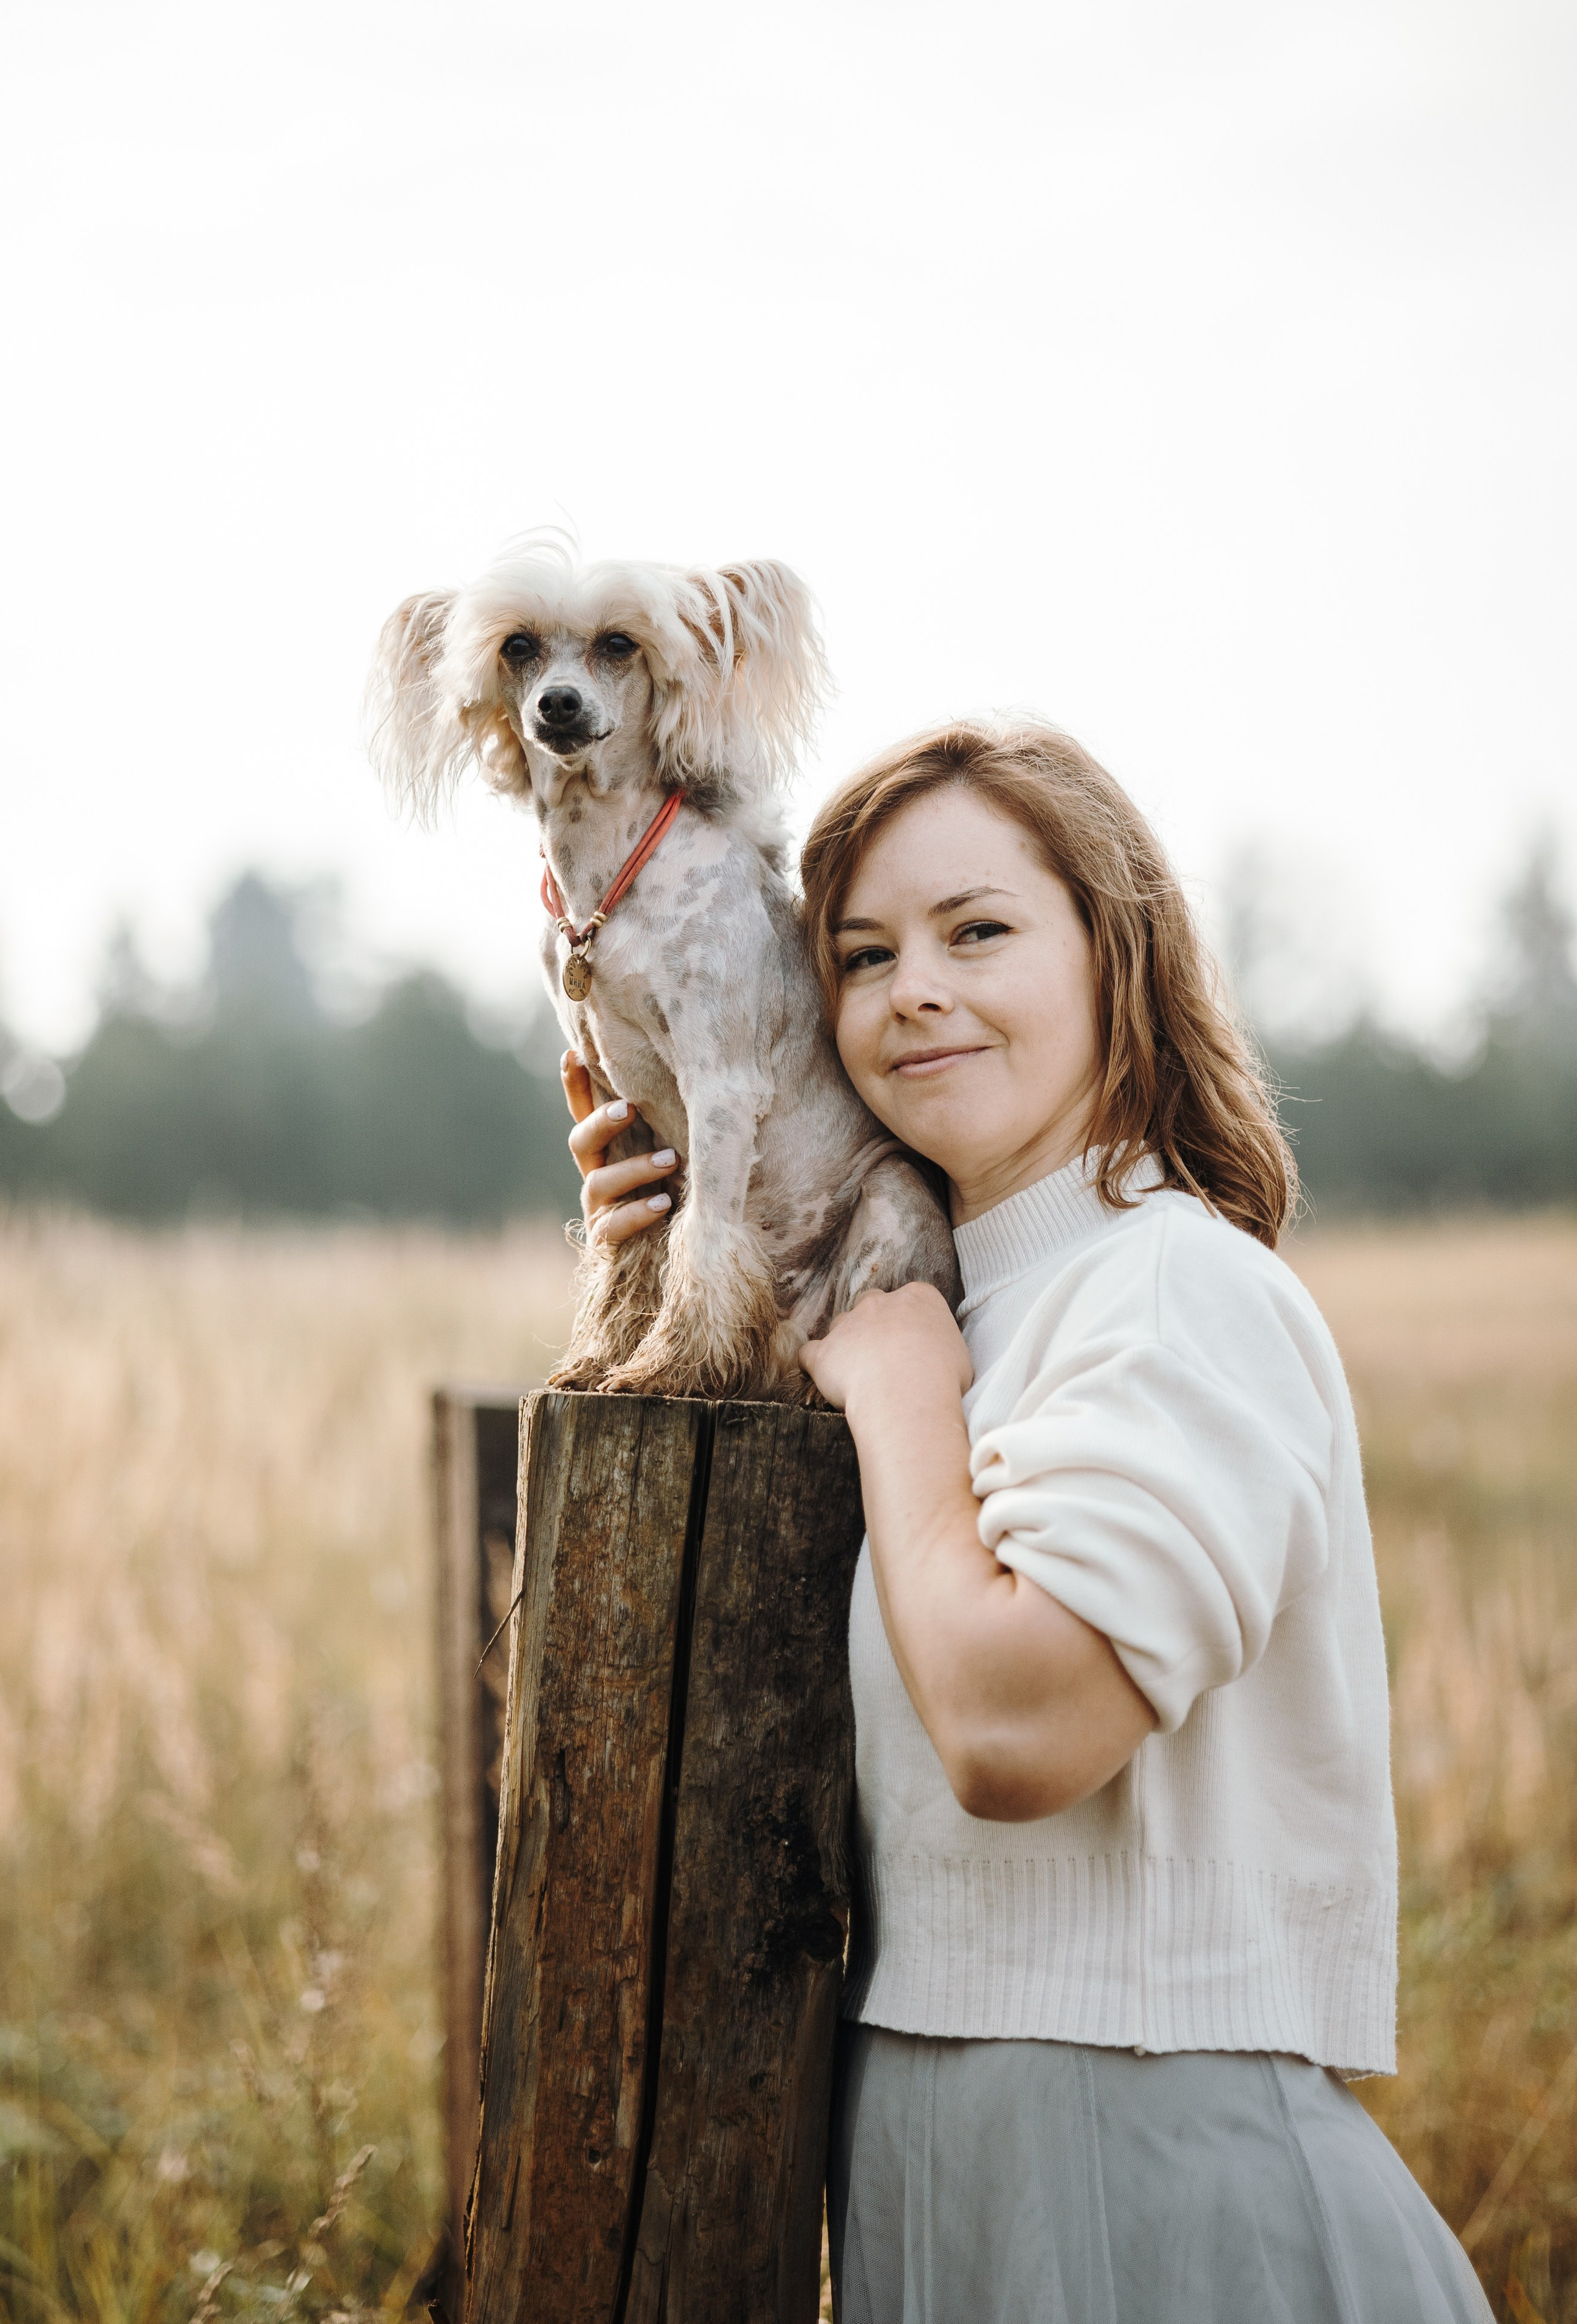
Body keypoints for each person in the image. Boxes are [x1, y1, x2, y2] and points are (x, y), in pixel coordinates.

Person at [562, 720, 1491, 2323]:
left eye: (975, 930)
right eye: (858, 953)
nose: (911, 986)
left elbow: (1014, 1728)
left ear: (1112, 952)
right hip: (935, 2170)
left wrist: (907, 1389)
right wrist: (667, 1256)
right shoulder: (940, 1312)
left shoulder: (1173, 1287)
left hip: (1158, 2181)